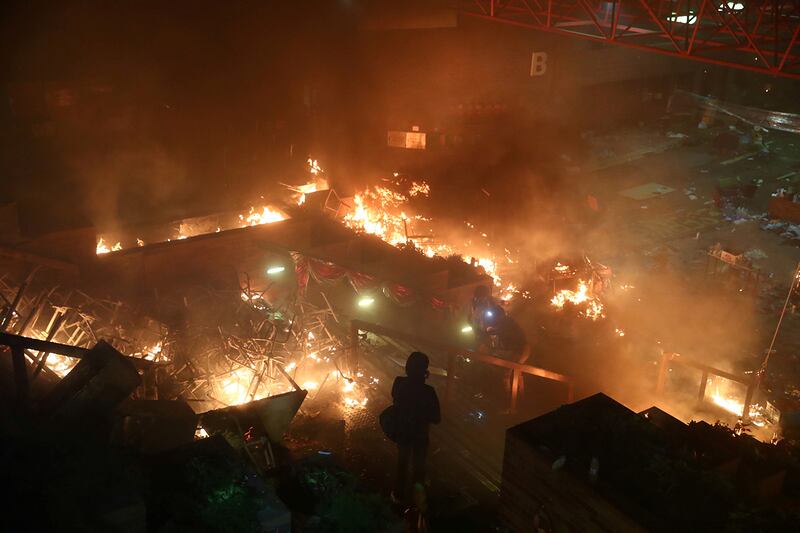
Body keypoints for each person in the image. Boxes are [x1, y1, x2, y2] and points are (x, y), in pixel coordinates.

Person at [391, 352, 441, 503]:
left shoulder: (398, 382)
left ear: (407, 367)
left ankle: (398, 496)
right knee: (419, 466)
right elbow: (436, 418)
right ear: (425, 371)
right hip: (420, 436)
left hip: (403, 432)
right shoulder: (429, 392)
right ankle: (416, 500)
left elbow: (395, 401)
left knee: (402, 462)